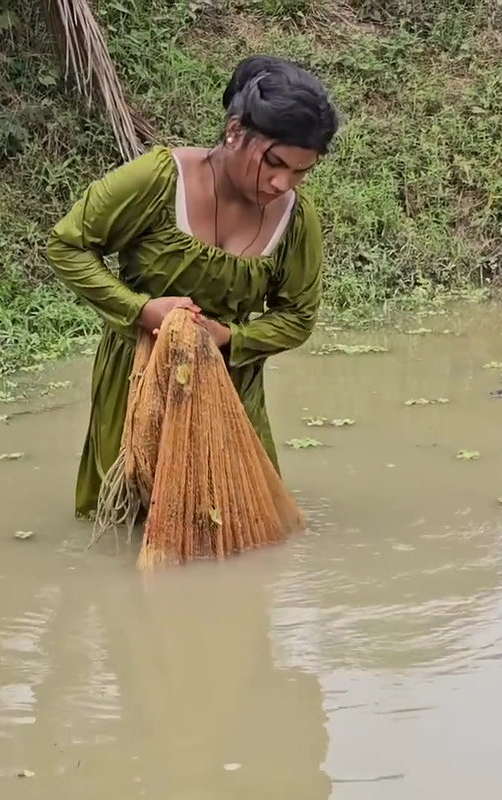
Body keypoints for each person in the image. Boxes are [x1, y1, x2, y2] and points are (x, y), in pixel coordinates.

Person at [46, 54, 340, 519]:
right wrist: (140, 310)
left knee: (241, 521)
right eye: (275, 162)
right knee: (132, 518)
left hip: (230, 388)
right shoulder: (159, 179)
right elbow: (67, 245)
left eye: (302, 171)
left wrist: (231, 337)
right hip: (138, 378)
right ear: (235, 131)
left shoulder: (296, 218)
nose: (282, 182)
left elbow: (298, 317)